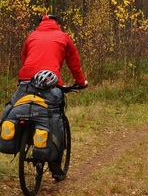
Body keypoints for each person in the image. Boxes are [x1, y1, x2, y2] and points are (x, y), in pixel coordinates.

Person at [0, 15, 87, 179]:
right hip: (51, 83)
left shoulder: (32, 36)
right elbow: (74, 62)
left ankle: (18, 138)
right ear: (57, 24)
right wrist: (80, 82)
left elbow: (25, 59)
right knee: (56, 119)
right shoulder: (63, 37)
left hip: (26, 82)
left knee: (13, 106)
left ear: (41, 24)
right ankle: (55, 165)